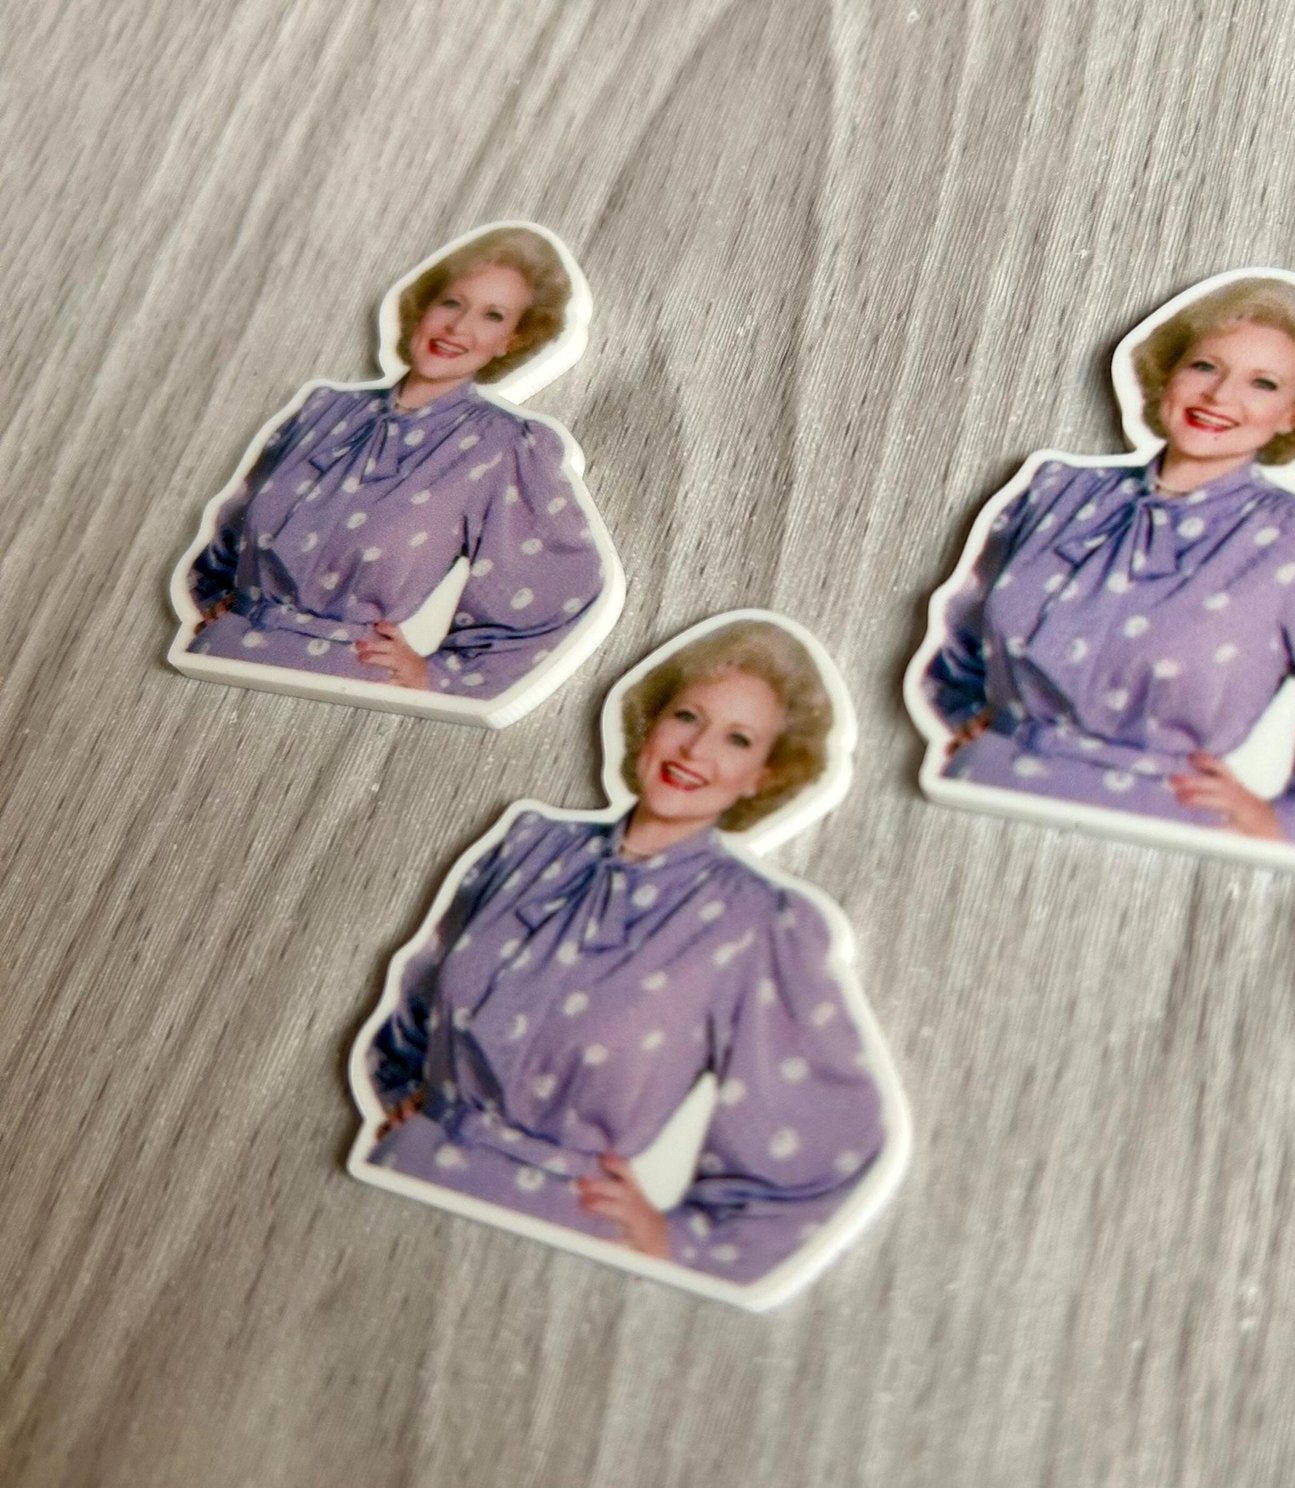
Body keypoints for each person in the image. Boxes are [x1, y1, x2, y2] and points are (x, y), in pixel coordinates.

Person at [355, 619, 890, 1288]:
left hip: (552, 1249)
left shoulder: (758, 924)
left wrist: (681, 1241)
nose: (695, 749)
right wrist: (407, 1094)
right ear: (652, 720)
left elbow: (825, 1123)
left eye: (738, 739)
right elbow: (419, 996)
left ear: (764, 774)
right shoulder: (528, 845)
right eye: (687, 716)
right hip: (397, 1173)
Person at [917, 274, 1295, 859]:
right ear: (1168, 373)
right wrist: (972, 714)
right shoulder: (1055, 493)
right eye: (1204, 367)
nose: (1219, 397)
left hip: (1150, 838)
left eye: (1263, 383)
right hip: (972, 799)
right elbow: (964, 638)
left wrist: (1288, 824)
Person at [181, 225, 608, 699]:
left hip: (339, 688)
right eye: (452, 303)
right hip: (214, 658)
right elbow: (231, 534)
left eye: (492, 315)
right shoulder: (322, 409)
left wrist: (441, 675)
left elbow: (554, 584)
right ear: (423, 307)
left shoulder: (504, 446)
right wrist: (220, 598)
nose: (457, 328)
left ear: (512, 339)